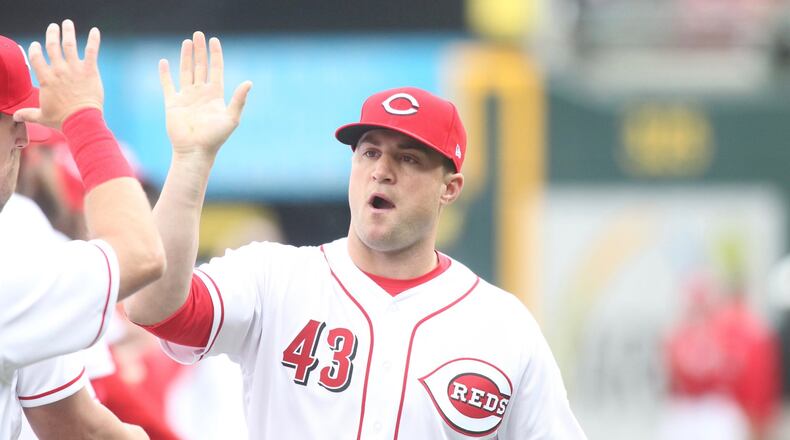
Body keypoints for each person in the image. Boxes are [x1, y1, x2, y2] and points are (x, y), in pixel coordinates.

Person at [124, 31, 584, 439]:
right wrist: (190, 162)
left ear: (450, 188)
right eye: (369, 152)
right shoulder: (273, 277)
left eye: (408, 158)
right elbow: (152, 308)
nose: (382, 171)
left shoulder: (502, 325)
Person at [1, 20, 166, 439]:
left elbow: (76, 425)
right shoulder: (14, 259)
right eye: (13, 121)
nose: (23, 140)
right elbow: (141, 254)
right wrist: (83, 118)